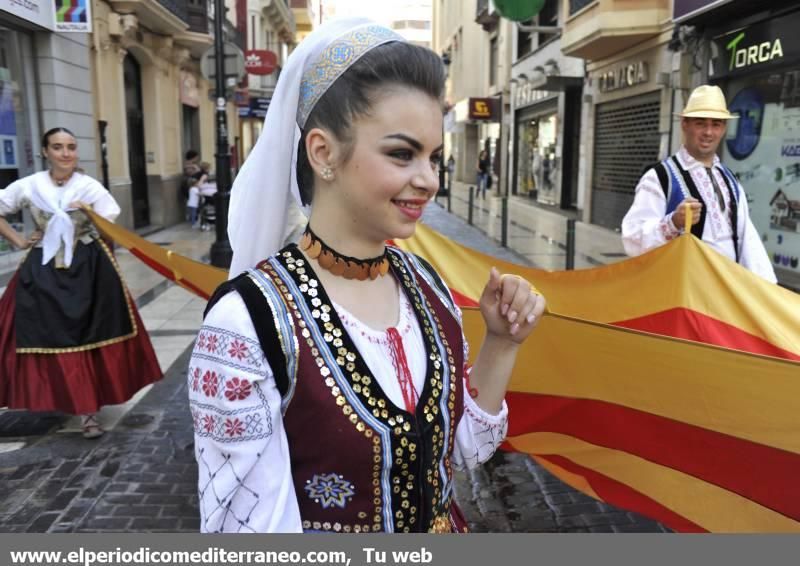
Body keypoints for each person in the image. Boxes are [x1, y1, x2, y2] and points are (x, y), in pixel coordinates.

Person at [188, 18, 546, 533]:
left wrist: (503, 342)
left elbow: (465, 450)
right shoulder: (247, 323)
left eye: (434, 158)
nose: (428, 180)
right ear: (323, 152)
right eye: (402, 154)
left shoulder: (427, 287)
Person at [0, 127, 162, 438]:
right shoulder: (30, 185)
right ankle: (53, 394)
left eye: (71, 147)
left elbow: (109, 223)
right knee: (39, 330)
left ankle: (89, 412)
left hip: (88, 267)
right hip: (43, 266)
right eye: (58, 147)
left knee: (87, 331)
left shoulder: (89, 187)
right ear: (45, 151)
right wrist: (20, 241)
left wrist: (88, 213)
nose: (65, 153)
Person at [621, 85, 776, 283]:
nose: (708, 132)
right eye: (700, 123)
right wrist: (673, 222)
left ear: (724, 129)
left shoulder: (729, 179)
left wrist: (767, 288)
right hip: (683, 295)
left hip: (727, 290)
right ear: (684, 124)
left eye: (716, 124)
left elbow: (747, 239)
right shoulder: (660, 177)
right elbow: (632, 240)